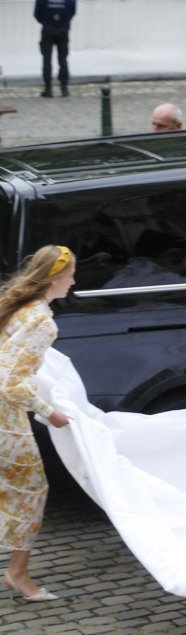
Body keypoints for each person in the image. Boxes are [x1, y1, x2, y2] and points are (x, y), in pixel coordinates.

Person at [1, 245, 75, 601]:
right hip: (5, 419)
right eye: (71, 275)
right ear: (57, 278)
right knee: (32, 492)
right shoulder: (42, 321)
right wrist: (50, 412)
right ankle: (17, 573)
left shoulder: (20, 308)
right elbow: (13, 384)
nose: (74, 282)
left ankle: (15, 570)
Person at [34, 0, 75, 98]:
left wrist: (45, 21)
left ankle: (48, 88)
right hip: (63, 29)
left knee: (46, 60)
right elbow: (72, 10)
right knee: (63, 59)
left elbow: (37, 12)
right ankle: (64, 88)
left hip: (48, 28)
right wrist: (64, 21)